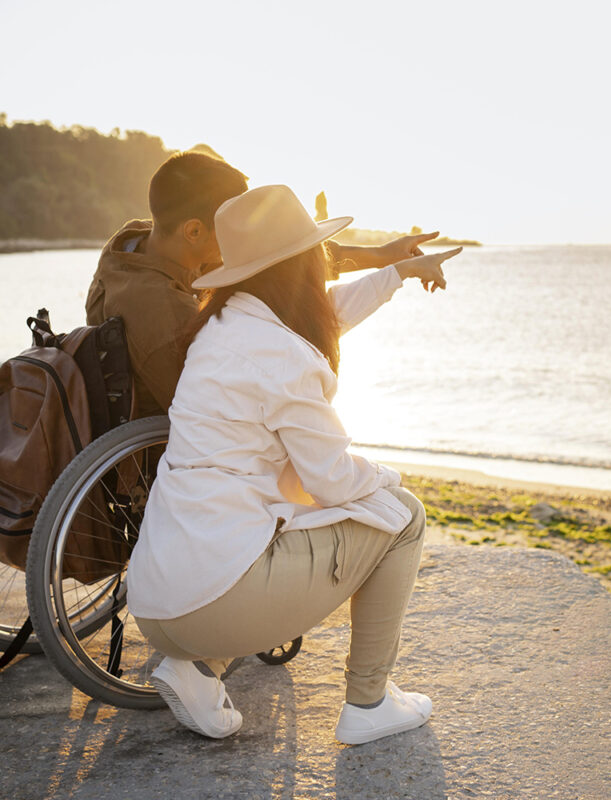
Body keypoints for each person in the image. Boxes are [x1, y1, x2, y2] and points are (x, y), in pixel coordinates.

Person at [129, 184, 462, 744]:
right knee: (404, 516)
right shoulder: (282, 353)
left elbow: (323, 315)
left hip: (159, 603)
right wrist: (388, 479)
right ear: (301, 262)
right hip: (213, 599)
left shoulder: (223, 326)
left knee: (266, 519)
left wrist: (397, 274)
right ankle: (369, 702)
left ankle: (197, 669)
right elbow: (332, 481)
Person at [85, 150, 441, 417]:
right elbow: (211, 413)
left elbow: (283, 257)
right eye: (236, 225)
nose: (248, 236)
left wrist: (381, 256)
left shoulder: (142, 243)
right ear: (194, 230)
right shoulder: (164, 313)